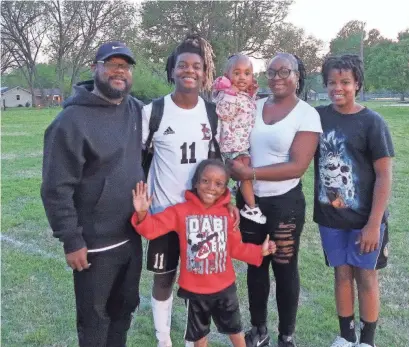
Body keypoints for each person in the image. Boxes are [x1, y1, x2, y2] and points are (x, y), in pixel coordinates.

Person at [41, 41, 144, 346]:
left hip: (131, 237)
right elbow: (55, 188)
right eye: (111, 64)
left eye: (124, 66)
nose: (119, 72)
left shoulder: (135, 110)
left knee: (122, 313)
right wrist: (72, 240)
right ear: (95, 68)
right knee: (94, 323)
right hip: (94, 245)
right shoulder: (69, 122)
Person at [142, 35, 239, 347]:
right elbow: (137, 157)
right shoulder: (153, 112)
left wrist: (228, 200)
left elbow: (218, 165)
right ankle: (163, 339)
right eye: (183, 65)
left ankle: (191, 338)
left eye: (196, 66)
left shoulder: (211, 114)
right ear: (172, 71)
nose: (189, 70)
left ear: (204, 73)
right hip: (165, 212)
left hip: (202, 217)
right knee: (164, 277)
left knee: (199, 280)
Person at [229, 53, 323, 347]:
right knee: (256, 264)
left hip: (285, 204)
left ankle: (287, 335)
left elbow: (298, 166)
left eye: (285, 71)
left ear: (298, 76)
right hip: (250, 202)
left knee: (284, 267)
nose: (277, 77)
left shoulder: (307, 114)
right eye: (271, 71)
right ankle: (259, 330)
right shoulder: (251, 106)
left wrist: (250, 172)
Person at [132, 159, 276, 347]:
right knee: (199, 338)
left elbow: (235, 248)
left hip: (225, 290)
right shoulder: (180, 212)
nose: (211, 187)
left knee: (236, 332)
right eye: (205, 181)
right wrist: (142, 213)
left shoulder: (227, 215)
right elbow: (151, 229)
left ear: (225, 188)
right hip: (195, 292)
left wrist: (259, 251)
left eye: (218, 184)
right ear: (196, 183)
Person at [314, 55, 394, 347]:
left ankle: (367, 341)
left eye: (345, 82)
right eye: (332, 82)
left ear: (357, 84)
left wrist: (374, 224)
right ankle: (346, 336)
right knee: (342, 275)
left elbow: (384, 175)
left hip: (365, 221)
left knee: (367, 277)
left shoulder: (372, 122)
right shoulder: (319, 117)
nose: (338, 88)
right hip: (331, 218)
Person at [212, 54, 266, 224]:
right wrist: (230, 95)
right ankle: (251, 208)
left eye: (247, 73)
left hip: (242, 144)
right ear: (228, 75)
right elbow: (224, 113)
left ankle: (236, 189)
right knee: (245, 175)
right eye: (237, 73)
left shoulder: (244, 95)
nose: (242, 77)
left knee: (245, 174)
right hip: (232, 146)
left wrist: (251, 92)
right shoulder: (227, 95)